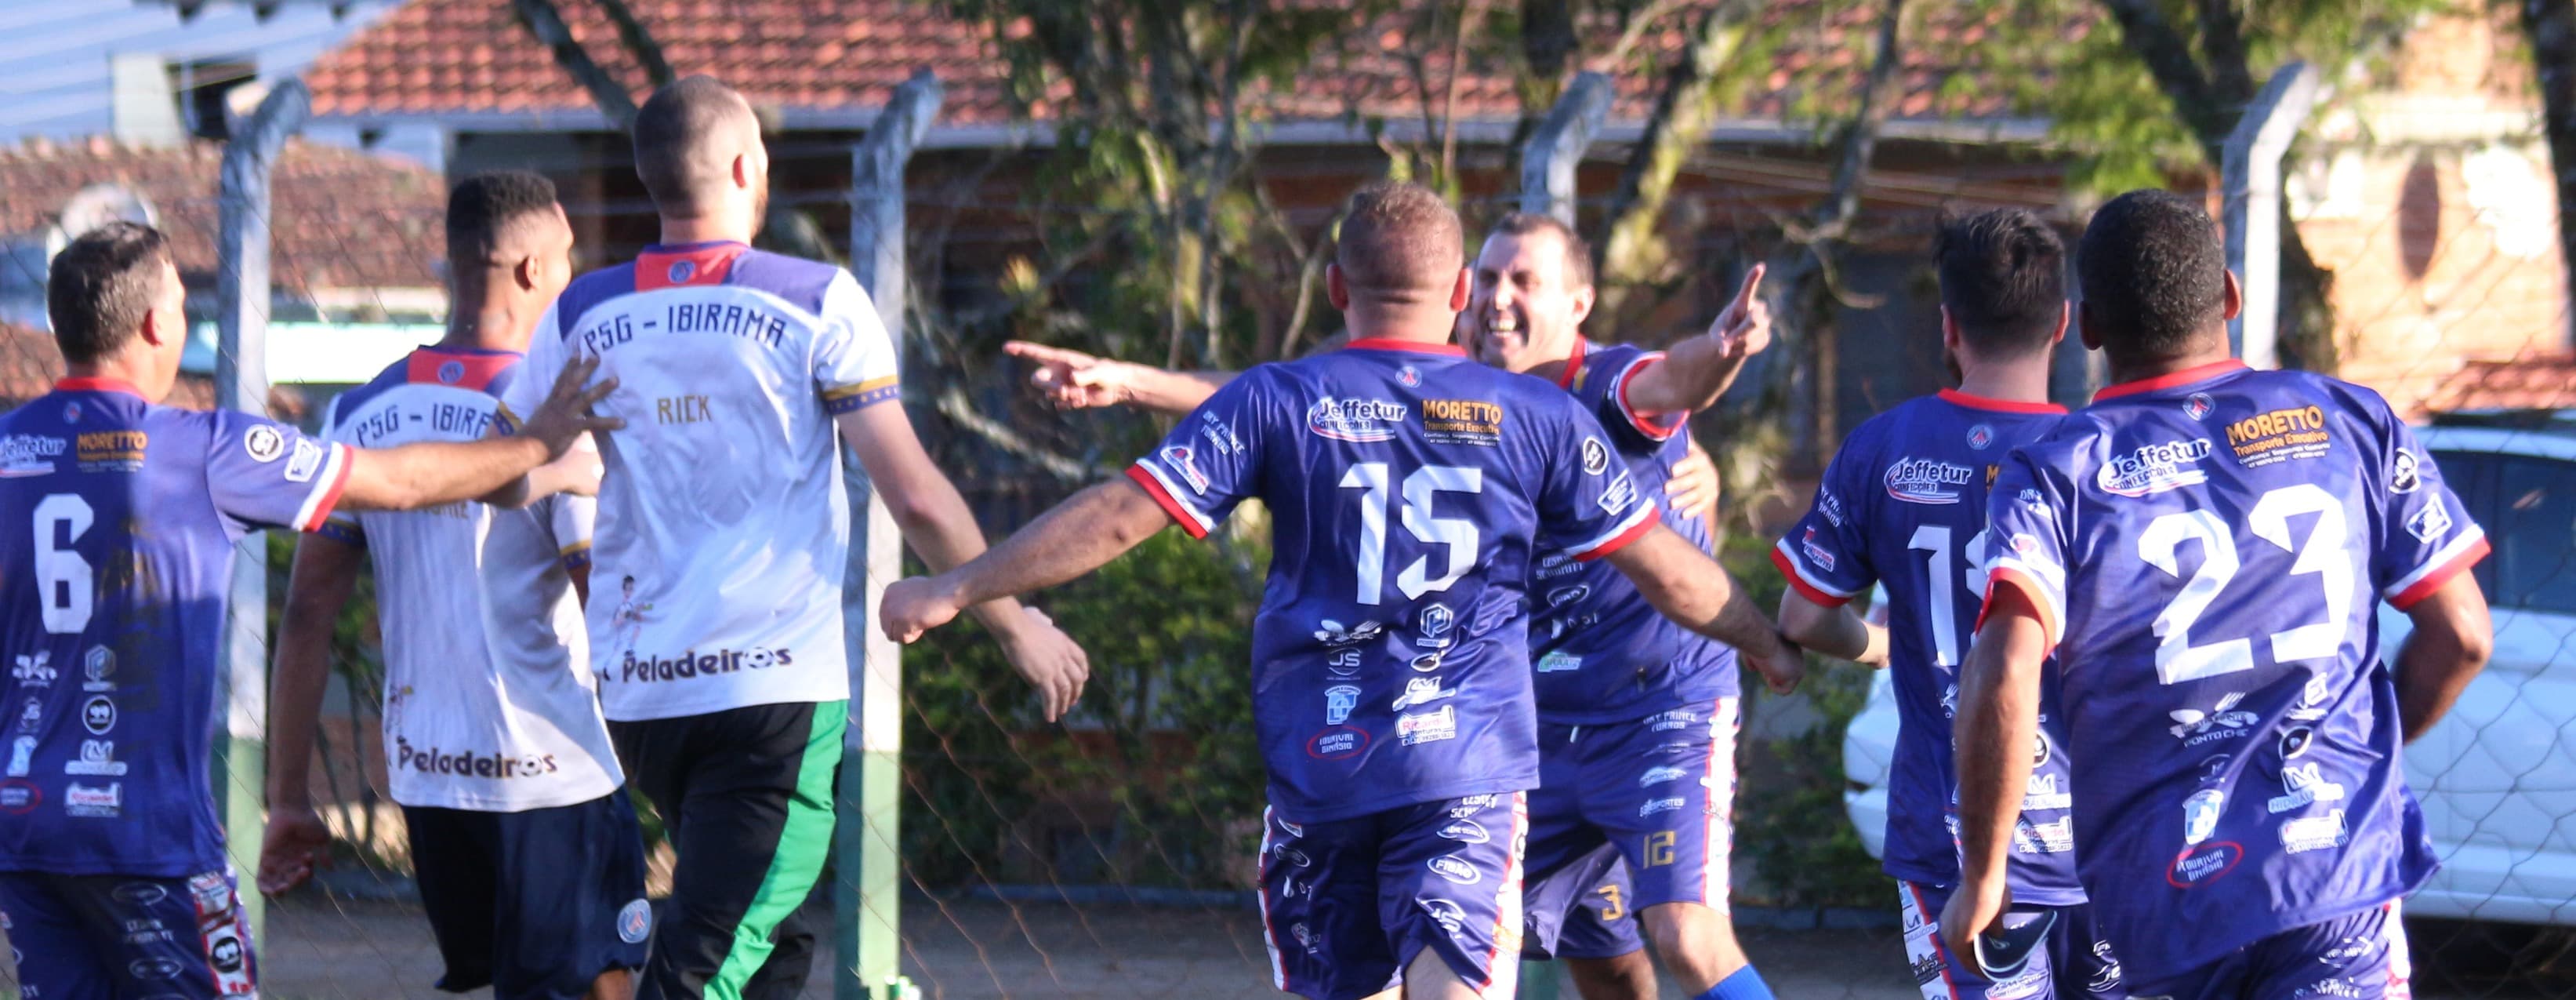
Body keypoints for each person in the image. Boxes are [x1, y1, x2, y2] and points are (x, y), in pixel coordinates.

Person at [879, 181, 1806, 1000]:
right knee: (1468, 976)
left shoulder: (1280, 399)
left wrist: (958, 585)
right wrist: (1767, 641)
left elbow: (1120, 516)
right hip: (1464, 765)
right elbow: (1668, 568)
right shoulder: (1536, 416)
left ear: (1334, 287)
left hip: (1324, 762)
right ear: (1459, 294)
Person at [494, 76, 1089, 1000]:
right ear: (746, 167)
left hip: (645, 691)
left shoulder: (584, 312)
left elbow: (503, 472)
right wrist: (1015, 625)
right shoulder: (814, 299)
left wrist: (570, 467)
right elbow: (916, 495)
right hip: (770, 694)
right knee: (707, 960)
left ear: (651, 177)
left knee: (768, 943)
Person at [0, 222, 617, 1000]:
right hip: (148, 835)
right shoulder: (204, 449)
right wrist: (535, 448)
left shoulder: (8, 447)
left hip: (23, 823)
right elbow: (398, 483)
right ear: (158, 323)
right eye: (183, 304)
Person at [1940, 190, 2495, 999]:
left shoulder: (2056, 469)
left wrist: (1985, 873)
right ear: (2230, 295)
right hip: (2332, 873)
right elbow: (2464, 634)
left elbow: (2006, 667)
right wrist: (2350, 757)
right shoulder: (2350, 420)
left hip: (2161, 893)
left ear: (2086, 326)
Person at [256, 172, 647, 1000]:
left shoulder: (362, 410)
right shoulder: (557, 409)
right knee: (599, 986)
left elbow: (308, 613)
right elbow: (602, 597)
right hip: (552, 773)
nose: (572, 274)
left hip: (430, 773)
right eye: (567, 257)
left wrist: (287, 796)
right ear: (534, 270)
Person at [1772, 209, 2123, 999]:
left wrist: (1876, 642)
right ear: (2064, 324)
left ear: (1948, 326)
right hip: (2097, 833)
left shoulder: (1883, 447)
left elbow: (1801, 617)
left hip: (1952, 837)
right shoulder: (2097, 455)